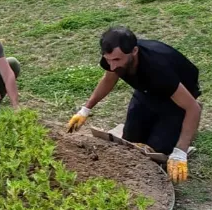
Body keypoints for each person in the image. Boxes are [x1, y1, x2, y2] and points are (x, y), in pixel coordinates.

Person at [66, 27, 201, 183]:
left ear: (134, 51)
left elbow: (193, 108)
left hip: (176, 99)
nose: (112, 66)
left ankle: (185, 125)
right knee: (130, 142)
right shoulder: (113, 60)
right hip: (146, 91)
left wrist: (180, 151)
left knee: (157, 150)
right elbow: (109, 78)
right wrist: (85, 110)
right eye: (108, 59)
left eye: (117, 60)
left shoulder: (158, 68)